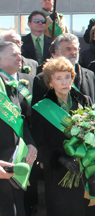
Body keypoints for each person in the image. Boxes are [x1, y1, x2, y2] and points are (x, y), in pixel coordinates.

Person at [32, 57, 95, 216]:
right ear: (50, 81)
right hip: (58, 172)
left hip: (84, 167)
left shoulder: (84, 101)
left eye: (67, 77)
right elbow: (39, 144)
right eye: (58, 78)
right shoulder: (41, 108)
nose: (64, 82)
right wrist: (60, 159)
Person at [0, 42, 37, 216]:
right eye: (14, 54)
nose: (20, 58)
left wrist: (30, 144)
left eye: (20, 54)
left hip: (14, 170)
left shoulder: (10, 85)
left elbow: (20, 120)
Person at [32, 33, 95, 106]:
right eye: (68, 49)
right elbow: (38, 111)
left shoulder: (90, 75)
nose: (73, 53)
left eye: (75, 49)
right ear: (57, 52)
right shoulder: (41, 79)